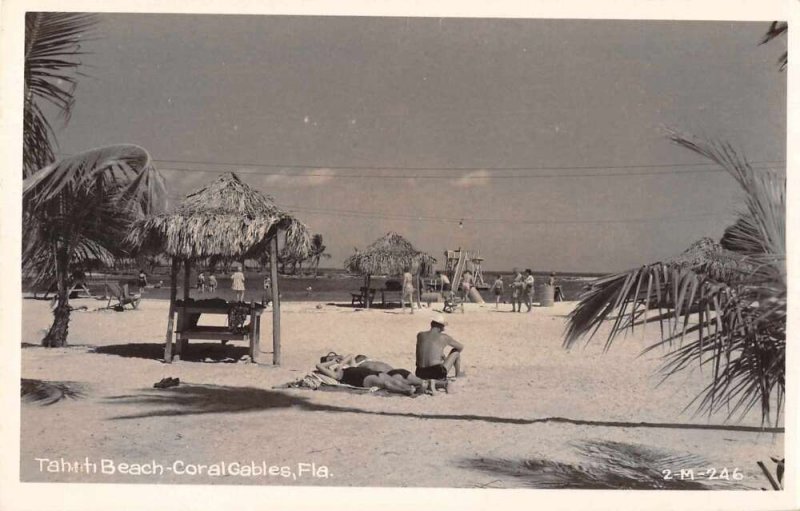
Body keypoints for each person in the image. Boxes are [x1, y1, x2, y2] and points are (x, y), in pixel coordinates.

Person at [316, 354, 423, 395]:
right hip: (360, 378)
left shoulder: (347, 366)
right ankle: (406, 391)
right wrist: (333, 361)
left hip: (369, 372)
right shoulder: (336, 373)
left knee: (394, 380)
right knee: (385, 383)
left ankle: (413, 388)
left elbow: (351, 356)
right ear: (328, 364)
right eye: (329, 359)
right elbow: (319, 366)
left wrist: (341, 362)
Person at [415, 312, 464, 392]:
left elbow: (426, 348)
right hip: (436, 372)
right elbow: (460, 347)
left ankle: (429, 381)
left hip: (420, 373)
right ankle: (458, 375)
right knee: (456, 351)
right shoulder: (444, 337)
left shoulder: (420, 335)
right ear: (441, 327)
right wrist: (445, 358)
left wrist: (440, 354)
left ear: (431, 324)